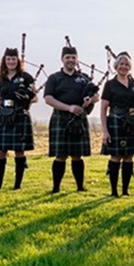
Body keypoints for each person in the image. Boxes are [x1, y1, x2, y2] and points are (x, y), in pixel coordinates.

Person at [43, 44, 99, 193]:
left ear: (77, 59)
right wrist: (68, 108)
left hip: (79, 118)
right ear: (62, 59)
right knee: (60, 155)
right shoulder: (54, 78)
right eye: (68, 57)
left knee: (77, 155)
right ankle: (56, 187)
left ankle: (80, 187)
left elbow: (96, 96)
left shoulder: (83, 78)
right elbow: (48, 99)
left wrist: (90, 100)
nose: (71, 60)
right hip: (61, 118)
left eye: (73, 57)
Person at [0, 48, 37, 190]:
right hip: (3, 114)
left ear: (18, 61)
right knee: (0, 151)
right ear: (4, 61)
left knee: (19, 150)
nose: (11, 62)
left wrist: (26, 98)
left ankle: (17, 185)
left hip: (20, 114)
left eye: (13, 59)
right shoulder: (0, 78)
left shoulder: (26, 77)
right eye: (8, 59)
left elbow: (35, 97)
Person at [100, 51, 134, 197]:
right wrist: (105, 131)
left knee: (129, 157)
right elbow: (103, 108)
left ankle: (125, 191)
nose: (124, 67)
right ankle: (114, 191)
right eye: (121, 64)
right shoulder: (110, 85)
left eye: (126, 64)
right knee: (116, 156)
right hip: (115, 120)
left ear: (130, 67)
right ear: (116, 66)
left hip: (132, 122)